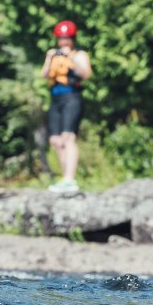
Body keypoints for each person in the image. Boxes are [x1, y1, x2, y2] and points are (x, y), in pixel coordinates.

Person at [41, 19, 92, 195]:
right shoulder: (53, 55)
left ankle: (70, 179)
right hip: (56, 99)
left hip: (72, 97)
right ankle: (64, 178)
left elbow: (86, 74)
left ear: (72, 39)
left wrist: (70, 59)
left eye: (67, 38)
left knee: (68, 137)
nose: (64, 42)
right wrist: (50, 57)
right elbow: (44, 75)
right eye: (61, 38)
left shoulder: (80, 55)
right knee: (55, 140)